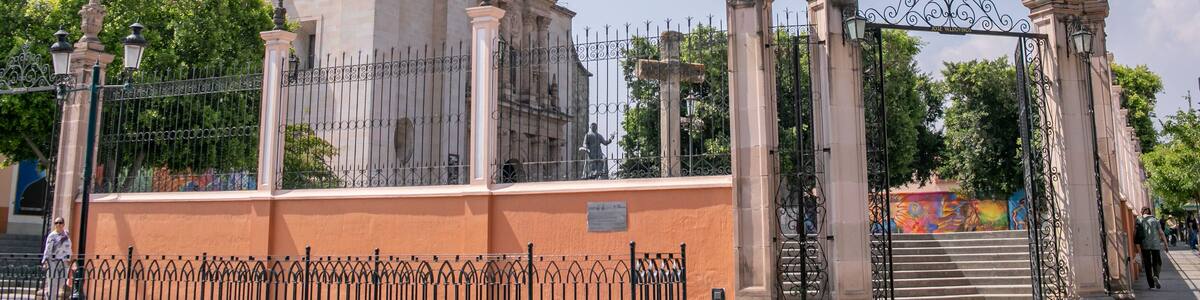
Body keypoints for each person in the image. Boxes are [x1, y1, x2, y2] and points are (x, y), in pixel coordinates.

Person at [1136, 208, 1169, 289]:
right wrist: (1166, 244)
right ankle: (1156, 276)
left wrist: (1136, 245)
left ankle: (1151, 285)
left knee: (1147, 264)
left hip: (1144, 244)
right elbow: (1161, 232)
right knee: (1157, 262)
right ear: (1150, 212)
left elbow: (1135, 233)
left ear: (1142, 212)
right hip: (1155, 244)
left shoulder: (1139, 220)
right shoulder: (1155, 220)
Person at [41, 217, 72, 300]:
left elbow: (69, 248)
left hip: (63, 261)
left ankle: (49, 294)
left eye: (60, 222)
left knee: (62, 281)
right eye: (56, 223)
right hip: (53, 261)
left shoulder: (66, 235)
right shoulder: (52, 236)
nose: (58, 224)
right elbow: (47, 249)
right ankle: (50, 297)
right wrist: (45, 261)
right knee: (53, 283)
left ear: (63, 224)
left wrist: (68, 259)